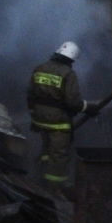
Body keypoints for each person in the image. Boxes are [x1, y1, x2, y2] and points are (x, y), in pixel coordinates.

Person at [27, 41, 92, 197]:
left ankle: (39, 177)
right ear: (72, 59)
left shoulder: (40, 68)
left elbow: (31, 94)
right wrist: (88, 108)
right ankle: (53, 189)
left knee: (46, 150)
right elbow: (72, 102)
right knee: (59, 156)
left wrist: (33, 114)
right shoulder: (68, 74)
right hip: (58, 122)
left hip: (39, 119)